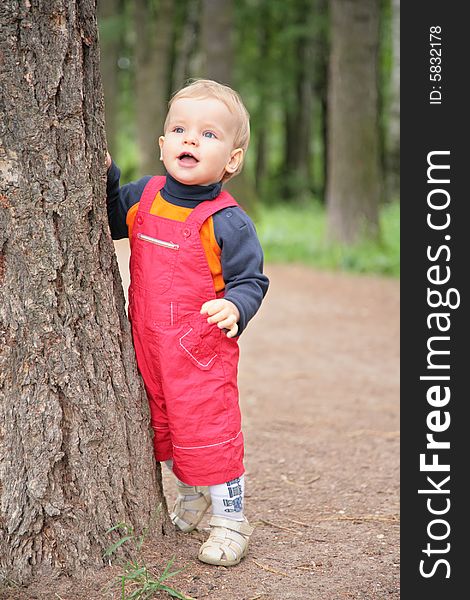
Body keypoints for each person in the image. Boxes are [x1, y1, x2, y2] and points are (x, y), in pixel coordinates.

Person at [106, 79, 269, 566]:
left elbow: (251, 280)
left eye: (208, 134)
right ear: (162, 146)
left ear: (233, 160)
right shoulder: (145, 194)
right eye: (179, 129)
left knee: (208, 431)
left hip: (200, 351)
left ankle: (230, 519)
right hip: (150, 345)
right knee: (167, 428)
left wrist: (236, 306)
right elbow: (114, 221)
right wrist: (108, 176)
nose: (191, 140)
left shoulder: (228, 221)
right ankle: (192, 497)